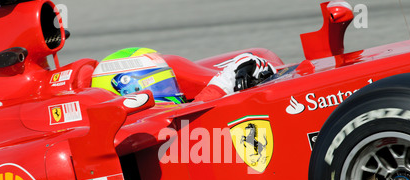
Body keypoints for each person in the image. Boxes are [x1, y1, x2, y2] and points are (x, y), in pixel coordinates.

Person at [91, 47, 277, 103]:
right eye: (160, 86)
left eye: (167, 83)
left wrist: (245, 65)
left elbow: (210, 94)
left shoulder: (179, 111)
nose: (169, 90)